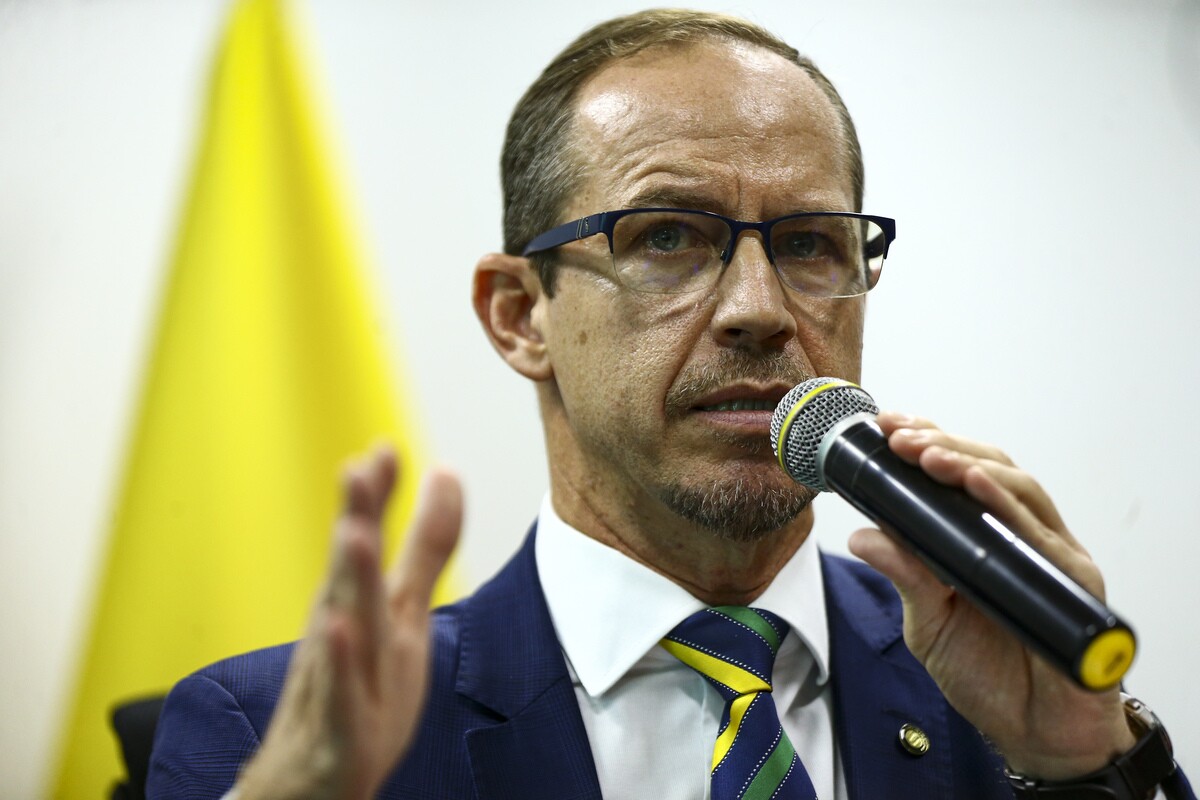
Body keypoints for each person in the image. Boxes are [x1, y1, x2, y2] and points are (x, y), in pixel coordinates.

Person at [147, 10, 1193, 800]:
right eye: (666, 238)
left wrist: (1084, 761)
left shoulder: (991, 683)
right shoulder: (276, 736)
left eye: (810, 244)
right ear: (521, 314)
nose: (759, 311)